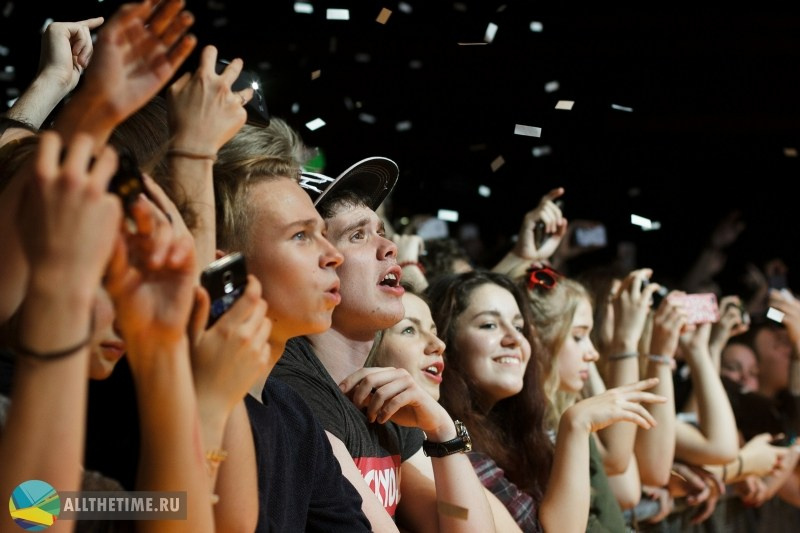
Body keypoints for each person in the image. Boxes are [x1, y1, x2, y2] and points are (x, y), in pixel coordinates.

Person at [272, 159, 497, 532]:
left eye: (380, 230)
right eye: (358, 235)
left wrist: (442, 430)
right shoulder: (294, 389)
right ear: (319, 261)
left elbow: (457, 523)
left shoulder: (384, 395)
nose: (389, 247)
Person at [426, 269, 665, 532]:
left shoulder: (521, 427)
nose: (515, 338)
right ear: (444, 342)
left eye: (519, 327)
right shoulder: (445, 444)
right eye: (489, 325)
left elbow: (631, 486)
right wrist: (576, 424)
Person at [212, 151, 372, 531]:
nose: (333, 256)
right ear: (224, 273)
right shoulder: (177, 403)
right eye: (300, 236)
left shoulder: (293, 414)